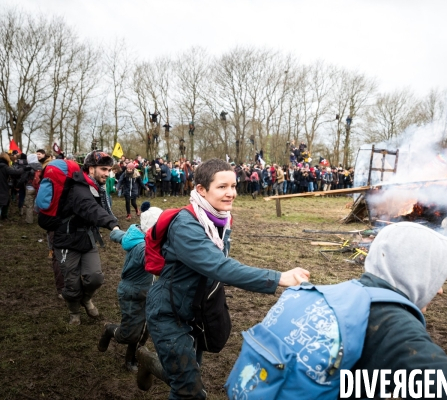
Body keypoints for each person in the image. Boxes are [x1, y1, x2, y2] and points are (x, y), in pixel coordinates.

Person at [227, 222, 447, 399]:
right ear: (418, 273)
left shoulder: (332, 294)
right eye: (437, 277)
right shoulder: (388, 321)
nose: (440, 290)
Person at [137, 158, 310, 399]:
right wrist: (279, 277)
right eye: (222, 187)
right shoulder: (185, 225)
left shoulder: (219, 219)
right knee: (190, 390)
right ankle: (154, 364)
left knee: (188, 375)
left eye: (234, 186)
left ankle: (149, 363)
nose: (231, 193)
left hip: (197, 310)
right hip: (169, 312)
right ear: (201, 189)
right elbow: (219, 267)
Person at [53, 151, 119, 325]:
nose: (107, 173)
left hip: (86, 237)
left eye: (109, 169)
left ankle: (86, 298)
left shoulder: (97, 187)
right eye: (103, 169)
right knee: (72, 282)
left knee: (95, 277)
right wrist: (112, 224)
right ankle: (74, 311)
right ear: (91, 169)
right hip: (66, 240)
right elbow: (91, 209)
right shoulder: (78, 189)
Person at [98, 202, 162, 371]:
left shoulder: (136, 236)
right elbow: (155, 265)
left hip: (145, 292)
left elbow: (120, 236)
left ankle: (130, 360)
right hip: (132, 294)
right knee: (128, 333)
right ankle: (110, 330)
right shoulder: (142, 248)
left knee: (144, 330)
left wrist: (114, 232)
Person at [0, 152, 25, 220]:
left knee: (5, 201)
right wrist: (23, 169)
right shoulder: (4, 166)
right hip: (3, 186)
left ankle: (4, 216)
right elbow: (14, 172)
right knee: (3, 202)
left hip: (2, 185)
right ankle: (3, 216)